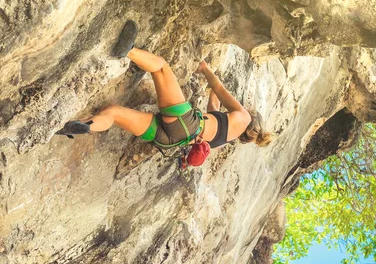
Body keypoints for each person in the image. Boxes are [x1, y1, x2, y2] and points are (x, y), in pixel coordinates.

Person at [57, 20, 272, 165]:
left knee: (160, 67)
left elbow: (219, 89)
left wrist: (206, 70)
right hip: (168, 140)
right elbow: (214, 105)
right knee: (112, 113)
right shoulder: (224, 138)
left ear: (252, 117)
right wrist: (214, 86)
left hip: (186, 124)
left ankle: (128, 50)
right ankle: (83, 126)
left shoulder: (242, 116)